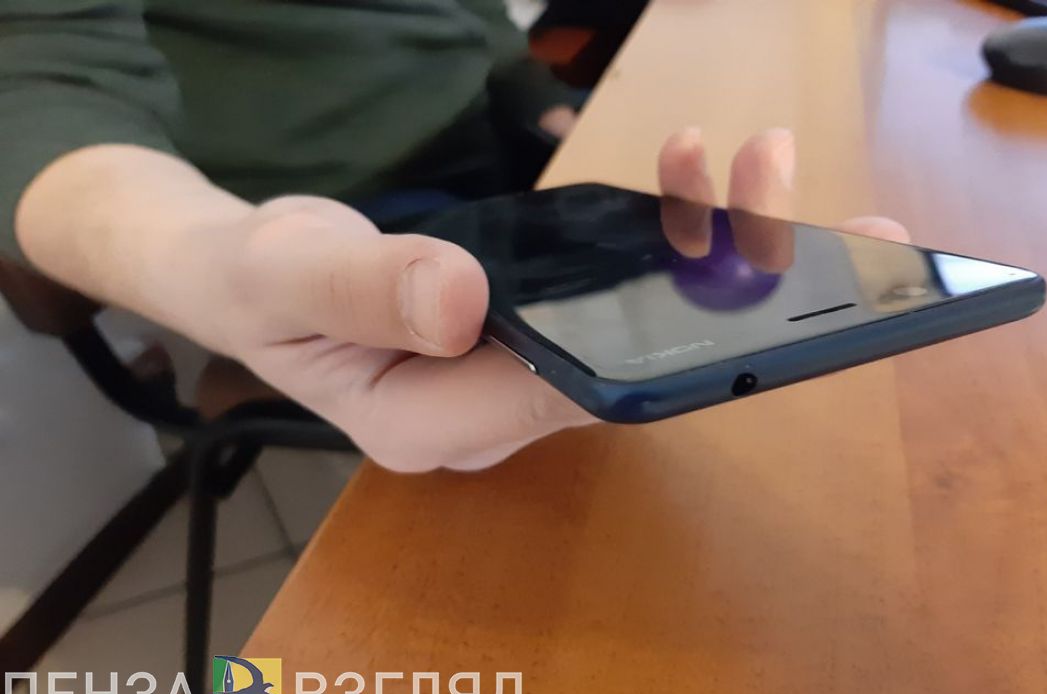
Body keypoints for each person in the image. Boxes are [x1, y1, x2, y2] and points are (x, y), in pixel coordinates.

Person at [0, 2, 908, 472]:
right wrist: (219, 258)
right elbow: (35, 82)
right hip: (350, 216)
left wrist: (554, 117)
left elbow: (476, 26)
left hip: (499, 149)